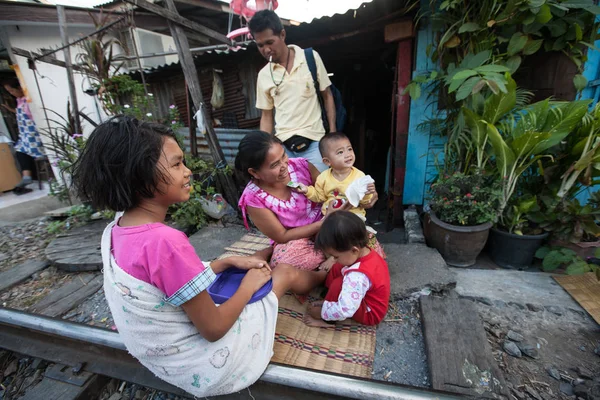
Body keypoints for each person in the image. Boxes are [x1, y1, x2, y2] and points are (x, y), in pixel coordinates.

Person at [70, 116, 327, 397]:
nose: (188, 171)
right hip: (207, 365)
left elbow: (163, 278)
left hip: (163, 360)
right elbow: (214, 329)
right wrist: (248, 286)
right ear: (141, 175)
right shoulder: (166, 242)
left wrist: (225, 262)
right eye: (177, 163)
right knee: (286, 272)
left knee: (245, 267)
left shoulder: (119, 227)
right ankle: (327, 273)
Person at [236, 131, 384, 272]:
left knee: (369, 250)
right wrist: (326, 220)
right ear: (254, 172)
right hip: (297, 239)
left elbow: (329, 190)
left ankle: (330, 262)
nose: (284, 166)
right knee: (286, 262)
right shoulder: (253, 199)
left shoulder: (302, 166)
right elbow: (282, 236)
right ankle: (331, 264)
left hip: (332, 227)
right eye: (275, 165)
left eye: (284, 156)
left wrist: (365, 194)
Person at [249, 10, 335, 172]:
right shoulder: (264, 75)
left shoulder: (310, 58)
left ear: (282, 34)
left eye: (270, 42)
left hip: (316, 143)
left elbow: (327, 95)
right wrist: (265, 150)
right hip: (284, 149)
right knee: (293, 195)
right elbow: (266, 116)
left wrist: (332, 133)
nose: (266, 50)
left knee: (323, 192)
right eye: (260, 45)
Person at [304, 211, 390, 327]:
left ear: (354, 250)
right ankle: (329, 299)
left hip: (370, 313)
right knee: (337, 267)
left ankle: (328, 322)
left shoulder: (357, 276)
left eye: (336, 256)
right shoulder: (365, 251)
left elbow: (346, 309)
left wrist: (322, 312)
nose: (333, 259)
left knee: (337, 284)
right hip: (367, 298)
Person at [296, 132, 373, 219]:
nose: (347, 154)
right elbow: (319, 197)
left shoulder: (359, 176)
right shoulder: (323, 178)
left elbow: (364, 202)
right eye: (340, 152)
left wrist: (367, 193)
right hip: (331, 217)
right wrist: (307, 190)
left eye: (349, 149)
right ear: (327, 162)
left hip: (354, 217)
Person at [1, 79, 45, 190]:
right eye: (9, 91)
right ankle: (27, 177)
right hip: (25, 134)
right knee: (20, 150)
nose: (11, 93)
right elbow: (19, 112)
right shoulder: (20, 100)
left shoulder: (28, 100)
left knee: (27, 149)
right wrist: (8, 108)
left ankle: (29, 175)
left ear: (21, 88)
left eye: (12, 90)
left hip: (34, 135)